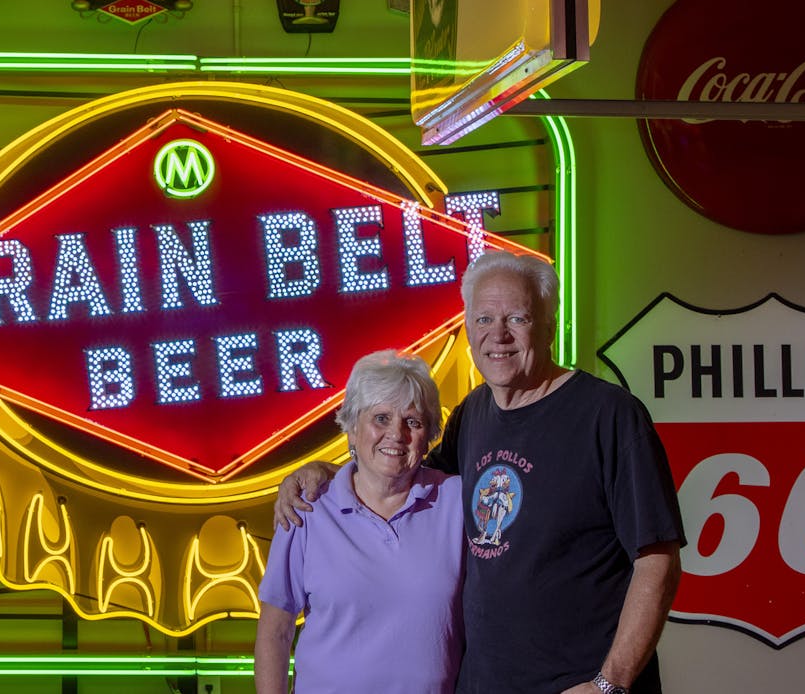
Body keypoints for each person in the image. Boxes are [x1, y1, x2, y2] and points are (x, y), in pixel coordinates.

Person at [275, 251, 685, 694]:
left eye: (518, 319)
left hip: (580, 685)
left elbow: (658, 560)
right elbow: (400, 477)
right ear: (468, 328)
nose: (499, 335)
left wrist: (610, 683)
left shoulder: (609, 416)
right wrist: (326, 471)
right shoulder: (473, 415)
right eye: (484, 319)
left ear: (548, 326)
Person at [255, 350, 464, 694]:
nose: (396, 434)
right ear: (352, 428)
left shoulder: (456, 502)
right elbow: (275, 633)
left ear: (429, 437)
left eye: (413, 422)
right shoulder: (307, 507)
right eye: (380, 418)